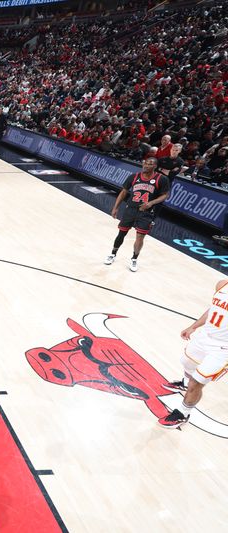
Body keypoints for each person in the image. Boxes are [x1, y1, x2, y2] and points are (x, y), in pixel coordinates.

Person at [159, 279, 228, 429]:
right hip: (205, 337)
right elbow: (213, 309)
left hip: (223, 349)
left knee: (196, 382)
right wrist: (193, 327)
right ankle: (184, 384)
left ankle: (183, 413)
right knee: (187, 362)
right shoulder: (222, 284)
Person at [104, 157, 169, 272]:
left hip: (146, 213)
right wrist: (115, 207)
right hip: (131, 209)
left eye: (150, 164)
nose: (146, 165)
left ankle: (134, 259)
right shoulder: (134, 177)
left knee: (140, 237)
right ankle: (113, 254)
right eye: (145, 163)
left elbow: (165, 195)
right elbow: (123, 192)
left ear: (155, 166)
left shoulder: (161, 179)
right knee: (121, 233)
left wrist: (151, 203)